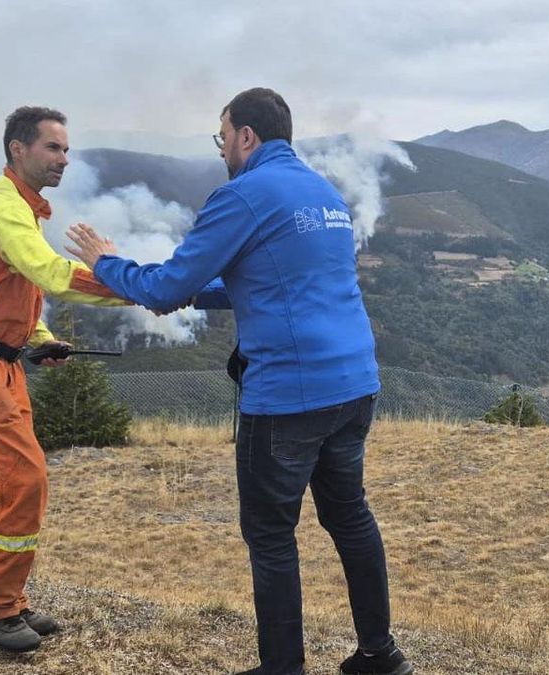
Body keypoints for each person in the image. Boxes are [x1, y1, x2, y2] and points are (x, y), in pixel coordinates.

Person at [66, 88, 412, 675]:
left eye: (222, 136)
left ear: (246, 136)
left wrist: (106, 262)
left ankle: (283, 668)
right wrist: (195, 292)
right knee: (349, 516)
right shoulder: (323, 193)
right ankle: (381, 655)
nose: (222, 148)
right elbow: (277, 281)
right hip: (355, 384)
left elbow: (165, 287)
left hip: (287, 396)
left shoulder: (243, 195)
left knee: (272, 535)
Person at [0, 105, 129, 653]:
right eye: (53, 148)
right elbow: (51, 273)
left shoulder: (19, 207)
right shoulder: (5, 211)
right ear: (19, 149)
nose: (64, 159)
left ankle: (8, 599)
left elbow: (12, 292)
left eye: (66, 149)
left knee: (22, 480)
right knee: (21, 479)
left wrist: (37, 340)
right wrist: (127, 282)